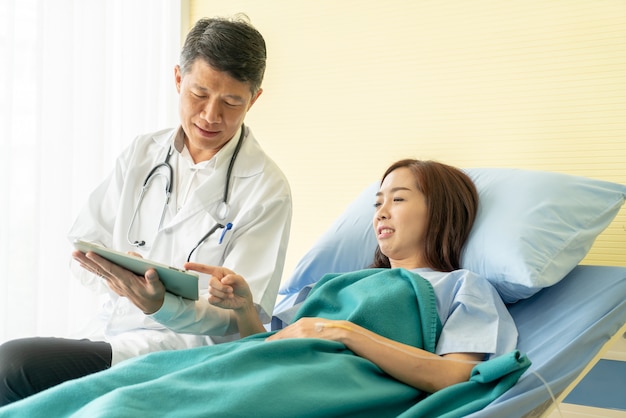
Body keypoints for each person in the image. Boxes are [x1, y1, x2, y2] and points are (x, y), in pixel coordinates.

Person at [0, 159, 529, 417]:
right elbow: (268, 340)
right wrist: (245, 309)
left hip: (329, 380)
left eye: (398, 198)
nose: (380, 213)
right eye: (376, 203)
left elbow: (458, 376)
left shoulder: (464, 287)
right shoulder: (337, 282)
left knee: (118, 412)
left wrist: (346, 334)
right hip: (251, 363)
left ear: (441, 210)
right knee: (89, 396)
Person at [0, 15, 292, 405]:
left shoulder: (266, 189)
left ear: (254, 99)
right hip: (110, 333)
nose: (210, 115)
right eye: (199, 94)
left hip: (185, 354)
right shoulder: (142, 154)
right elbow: (84, 246)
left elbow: (241, 319)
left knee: (15, 366)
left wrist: (161, 305)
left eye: (231, 102)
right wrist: (119, 278)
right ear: (177, 79)